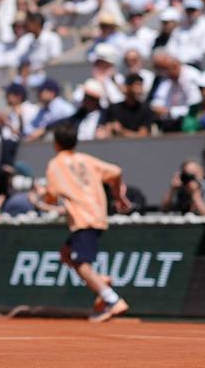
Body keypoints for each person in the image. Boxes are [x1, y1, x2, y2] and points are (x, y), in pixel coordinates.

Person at [41, 121, 132, 323]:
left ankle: (112, 299)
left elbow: (51, 196)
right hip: (97, 214)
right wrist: (117, 196)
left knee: (82, 264)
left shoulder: (55, 165)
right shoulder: (87, 160)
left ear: (56, 144)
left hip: (84, 218)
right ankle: (99, 281)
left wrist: (43, 197)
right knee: (66, 253)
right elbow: (116, 172)